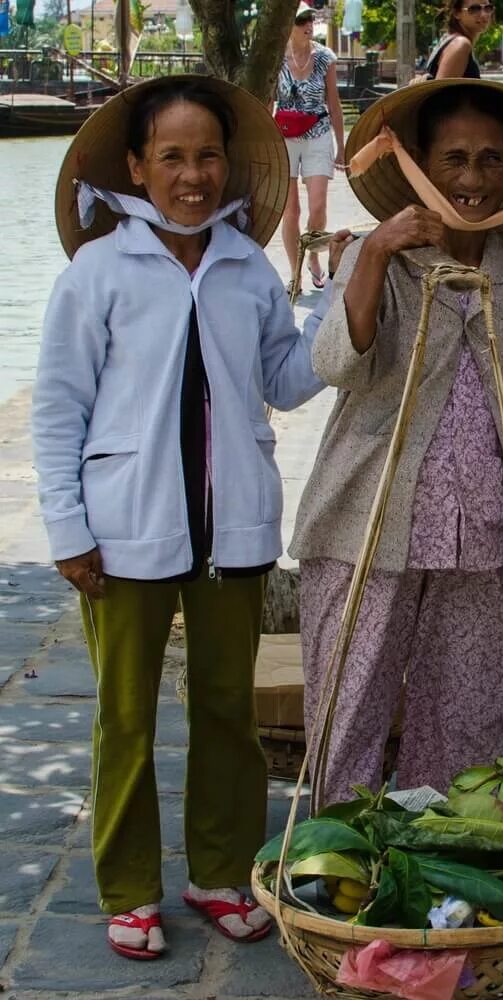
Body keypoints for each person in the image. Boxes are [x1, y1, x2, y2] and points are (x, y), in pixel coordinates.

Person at [33, 75, 327, 961]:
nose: (193, 175)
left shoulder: (245, 267)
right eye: (172, 157)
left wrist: (346, 294)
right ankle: (128, 888)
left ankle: (219, 872)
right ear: (136, 165)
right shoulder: (99, 271)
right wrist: (67, 529)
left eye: (207, 157)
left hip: (234, 528)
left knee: (227, 711)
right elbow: (58, 407)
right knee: (124, 717)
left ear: (229, 167)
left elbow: (284, 379)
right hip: (123, 531)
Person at [290, 78, 503, 805]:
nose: (470, 178)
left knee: (473, 726)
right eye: (452, 158)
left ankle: (443, 876)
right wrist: (371, 254)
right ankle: (346, 871)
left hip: (481, 542)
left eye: (491, 160)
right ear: (418, 164)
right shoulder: (379, 262)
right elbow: (336, 362)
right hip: (366, 531)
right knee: (350, 712)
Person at [276, 1, 346, 291]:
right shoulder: (276, 59)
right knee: (290, 210)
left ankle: (313, 255)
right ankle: (296, 274)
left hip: (317, 132)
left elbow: (334, 103)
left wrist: (341, 146)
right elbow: (268, 102)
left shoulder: (324, 57)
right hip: (285, 135)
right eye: (301, 20)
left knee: (318, 206)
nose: (308, 25)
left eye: (310, 19)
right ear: (288, 26)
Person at [422, 0, 493, 80]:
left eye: (488, 8)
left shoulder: (451, 40)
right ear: (457, 13)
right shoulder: (460, 44)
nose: (484, 14)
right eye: (474, 9)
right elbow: (441, 90)